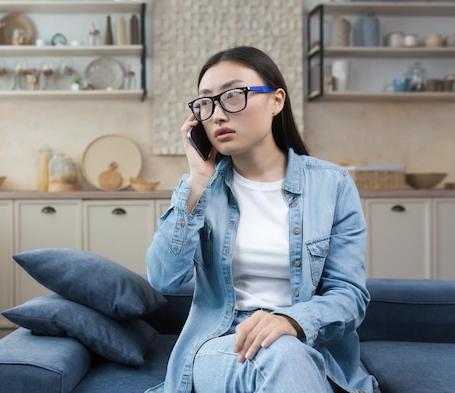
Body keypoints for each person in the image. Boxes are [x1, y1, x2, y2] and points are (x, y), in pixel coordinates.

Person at [145, 46, 378, 393]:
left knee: (285, 352)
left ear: (276, 101)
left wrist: (290, 320)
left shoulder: (332, 185)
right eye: (206, 103)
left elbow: (349, 296)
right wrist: (196, 181)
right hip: (220, 343)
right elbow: (164, 278)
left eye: (234, 95)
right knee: (281, 354)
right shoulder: (199, 191)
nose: (218, 115)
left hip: (307, 342)